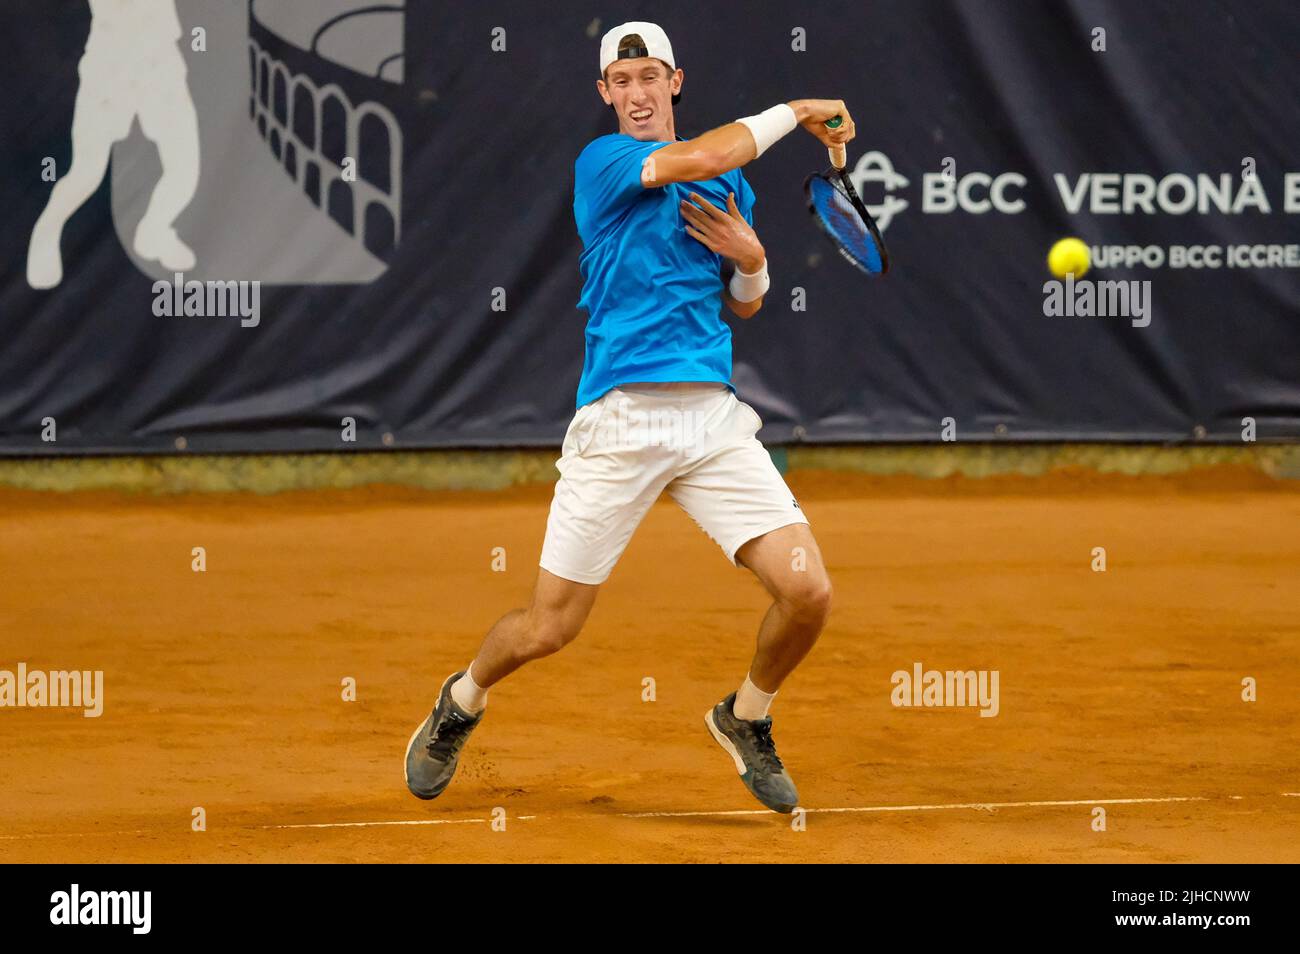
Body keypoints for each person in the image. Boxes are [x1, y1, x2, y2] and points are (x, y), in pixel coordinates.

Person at [406, 20, 855, 813]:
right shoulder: (606, 162)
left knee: (808, 592)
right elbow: (710, 154)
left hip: (711, 421)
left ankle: (744, 716)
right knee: (549, 629)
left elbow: (743, 305)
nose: (639, 93)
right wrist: (797, 106)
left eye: (651, 76)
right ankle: (463, 699)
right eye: (624, 82)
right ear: (605, 95)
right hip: (618, 421)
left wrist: (753, 262)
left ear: (674, 81)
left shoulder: (727, 184)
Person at [27, 0, 199, 290]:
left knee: (185, 170)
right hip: (109, 68)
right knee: (85, 175)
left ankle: (154, 230)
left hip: (160, 64)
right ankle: (46, 232)